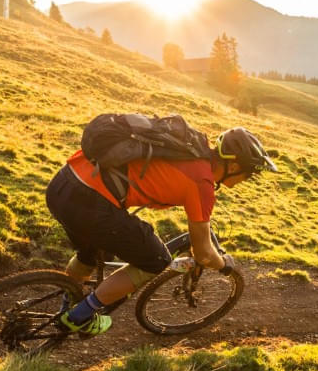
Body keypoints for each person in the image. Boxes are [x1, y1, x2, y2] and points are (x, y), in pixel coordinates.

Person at [45, 126, 277, 334]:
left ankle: (67, 302)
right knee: (155, 260)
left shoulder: (186, 147)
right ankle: (78, 317)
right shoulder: (201, 183)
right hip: (92, 204)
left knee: (92, 253)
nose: (246, 180)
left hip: (63, 184)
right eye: (248, 174)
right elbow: (204, 253)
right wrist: (224, 264)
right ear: (234, 166)